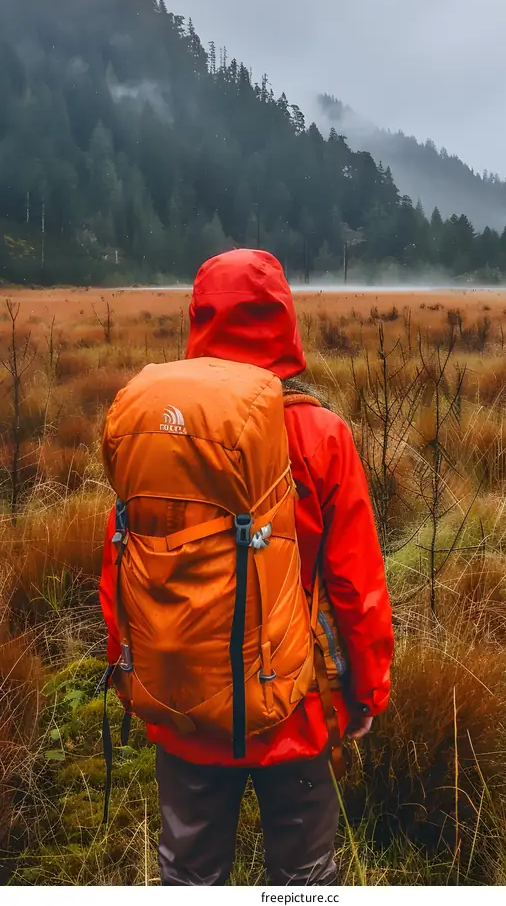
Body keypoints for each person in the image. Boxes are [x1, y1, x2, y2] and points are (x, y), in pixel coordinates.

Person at [100, 248, 393, 886]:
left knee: (189, 873)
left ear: (199, 320)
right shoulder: (319, 434)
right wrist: (365, 691)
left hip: (182, 705)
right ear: (284, 321)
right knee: (304, 878)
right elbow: (355, 583)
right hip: (296, 707)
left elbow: (119, 567)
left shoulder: (160, 435)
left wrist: (132, 670)